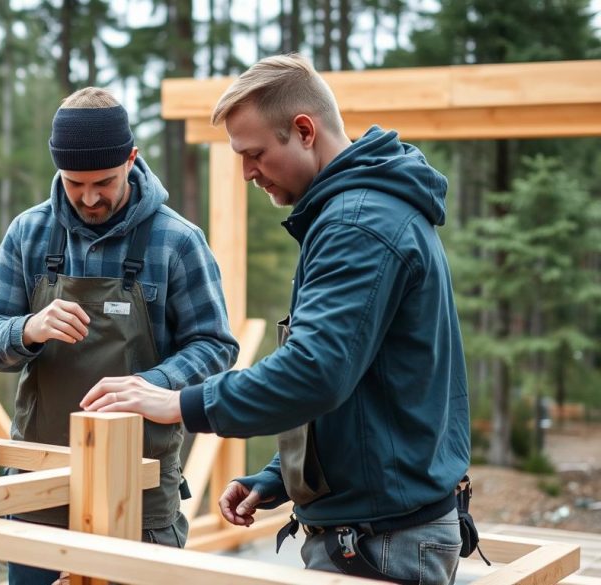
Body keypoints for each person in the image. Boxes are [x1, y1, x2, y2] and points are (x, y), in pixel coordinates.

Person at [81, 54, 472, 585]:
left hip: (382, 540)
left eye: (255, 153)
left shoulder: (358, 223)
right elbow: (361, 386)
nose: (246, 173)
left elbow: (315, 371)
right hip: (377, 527)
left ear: (305, 131)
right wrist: (280, 477)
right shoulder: (356, 212)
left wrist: (177, 403)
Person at [0, 87, 239, 585]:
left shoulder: (177, 241)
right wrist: (28, 330)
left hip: (139, 495)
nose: (90, 198)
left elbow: (217, 348)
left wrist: (153, 385)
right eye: (75, 184)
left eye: (104, 182)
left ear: (131, 160)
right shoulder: (28, 234)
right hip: (39, 491)